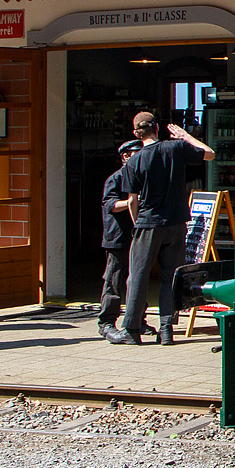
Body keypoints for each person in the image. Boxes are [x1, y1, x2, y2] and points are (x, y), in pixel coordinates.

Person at [106, 112, 214, 346]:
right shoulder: (175, 148)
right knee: (170, 278)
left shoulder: (133, 161)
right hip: (176, 223)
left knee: (138, 277)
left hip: (148, 223)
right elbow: (210, 154)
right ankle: (167, 330)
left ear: (136, 133)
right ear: (157, 127)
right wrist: (186, 136)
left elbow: (133, 200)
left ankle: (132, 329)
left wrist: (137, 224)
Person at [98, 138, 143, 340]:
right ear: (125, 156)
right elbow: (110, 205)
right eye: (136, 153)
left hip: (138, 235)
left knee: (137, 278)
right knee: (114, 279)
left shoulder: (142, 176)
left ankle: (138, 320)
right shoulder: (115, 179)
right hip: (117, 236)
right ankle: (106, 322)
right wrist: (131, 202)